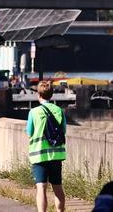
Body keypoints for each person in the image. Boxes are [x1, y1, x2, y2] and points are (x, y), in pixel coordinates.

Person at [26, 81, 66, 212]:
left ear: (38, 94)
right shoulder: (59, 110)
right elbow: (63, 131)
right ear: (51, 94)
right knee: (58, 188)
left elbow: (29, 132)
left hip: (39, 155)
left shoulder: (34, 112)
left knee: (41, 188)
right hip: (57, 154)